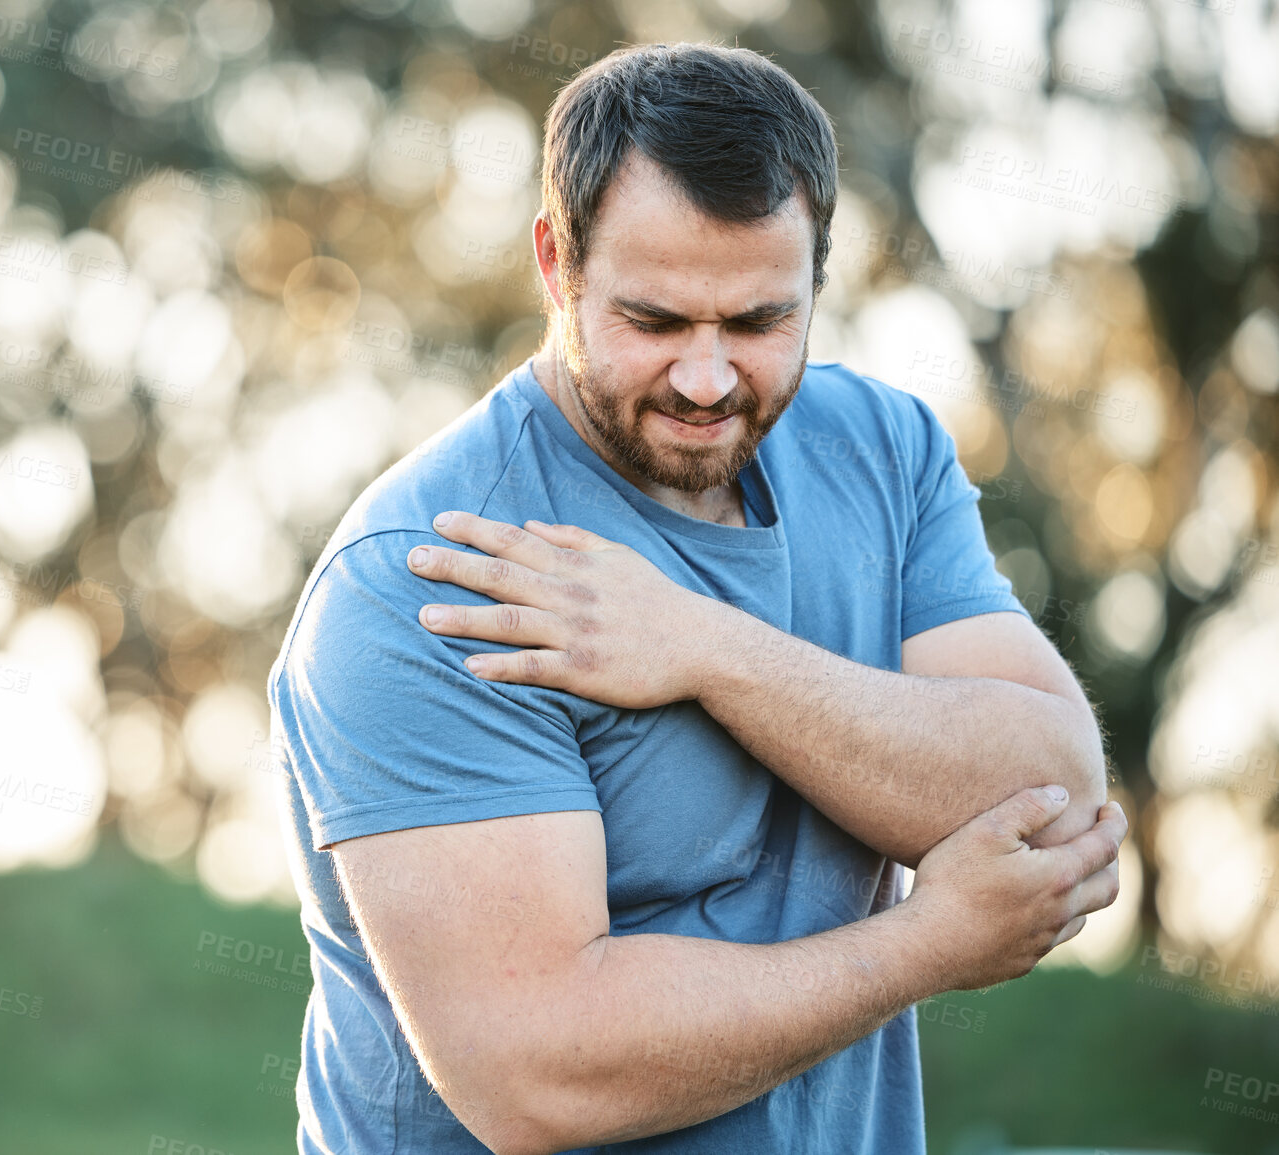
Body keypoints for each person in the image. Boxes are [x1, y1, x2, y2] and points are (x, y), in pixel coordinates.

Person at [265, 41, 1125, 1154]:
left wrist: (709, 650)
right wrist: (926, 946)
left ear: (822, 274)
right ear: (553, 266)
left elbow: (1052, 791)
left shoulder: (883, 449)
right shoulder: (432, 575)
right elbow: (540, 1075)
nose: (710, 380)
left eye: (762, 322)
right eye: (656, 322)